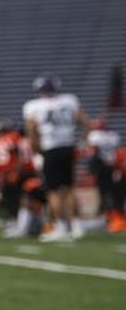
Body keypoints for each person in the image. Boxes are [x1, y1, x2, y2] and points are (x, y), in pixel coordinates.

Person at [23, 76, 89, 242]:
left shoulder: (33, 106)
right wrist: (82, 144)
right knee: (69, 188)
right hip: (68, 148)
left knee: (53, 191)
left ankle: (60, 227)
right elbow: (85, 122)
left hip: (50, 149)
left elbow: (32, 130)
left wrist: (36, 149)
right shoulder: (69, 101)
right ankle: (76, 226)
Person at [85, 117, 125, 233]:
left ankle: (109, 219)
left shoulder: (95, 136)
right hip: (113, 167)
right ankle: (111, 218)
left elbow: (93, 152)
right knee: (113, 194)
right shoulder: (113, 135)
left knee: (106, 194)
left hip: (102, 167)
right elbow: (117, 151)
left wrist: (92, 169)